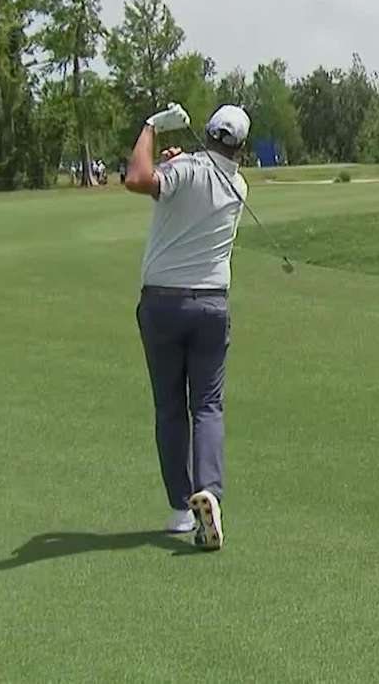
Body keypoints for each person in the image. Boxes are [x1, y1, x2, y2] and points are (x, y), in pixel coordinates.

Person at [123, 102, 253, 552]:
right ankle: (210, 494)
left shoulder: (186, 170)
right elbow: (177, 181)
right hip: (212, 307)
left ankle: (182, 508)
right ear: (242, 147)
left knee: (169, 408)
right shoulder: (239, 185)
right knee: (208, 406)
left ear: (209, 133)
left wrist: (151, 127)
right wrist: (174, 163)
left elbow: (137, 178)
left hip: (162, 303)